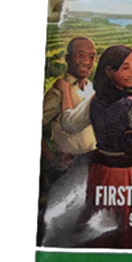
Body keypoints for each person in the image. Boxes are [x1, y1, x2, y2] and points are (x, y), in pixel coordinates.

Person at [55, 45, 132, 249]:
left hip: (99, 173)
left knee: (100, 224)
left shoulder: (95, 100)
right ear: (109, 71)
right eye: (126, 68)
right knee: (128, 227)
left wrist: (65, 92)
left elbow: (68, 123)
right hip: (125, 176)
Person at [38, 37, 96, 245]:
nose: (87, 61)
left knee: (86, 221)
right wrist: (51, 157)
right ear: (68, 58)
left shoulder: (91, 88)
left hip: (90, 162)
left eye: (92, 56)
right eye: (81, 55)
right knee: (64, 224)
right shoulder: (58, 91)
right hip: (67, 165)